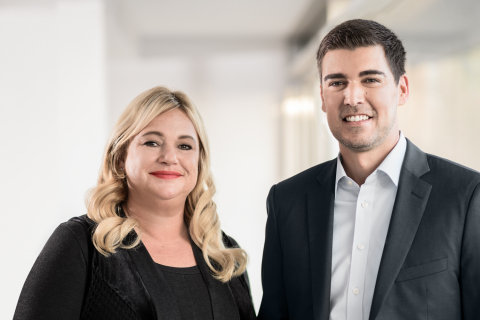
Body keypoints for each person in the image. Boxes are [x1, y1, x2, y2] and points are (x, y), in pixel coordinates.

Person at [258, 19, 480, 320]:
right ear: (322, 97)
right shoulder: (287, 201)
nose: (352, 98)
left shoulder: (465, 197)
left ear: (401, 90)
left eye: (370, 80)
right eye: (337, 82)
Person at [14, 86, 256, 320]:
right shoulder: (81, 245)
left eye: (185, 146)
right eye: (152, 142)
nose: (170, 157)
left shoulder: (224, 256)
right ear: (120, 157)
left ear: (200, 162)